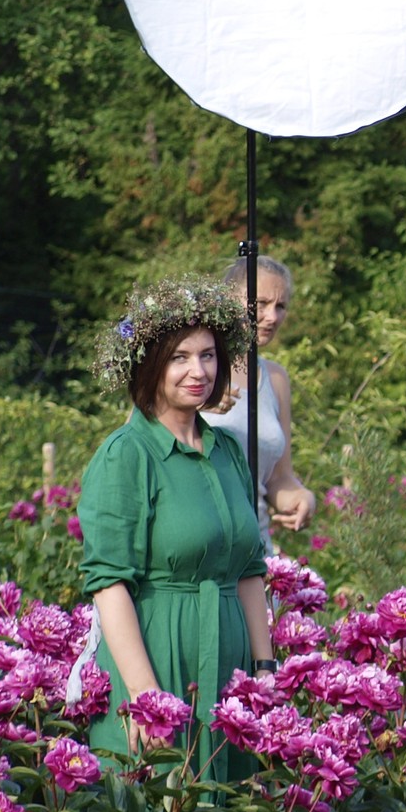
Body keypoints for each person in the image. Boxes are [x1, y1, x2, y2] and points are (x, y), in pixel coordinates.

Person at [73, 277, 274, 778]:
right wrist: (145, 696)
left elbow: (249, 568)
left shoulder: (227, 452)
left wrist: (265, 673)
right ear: (150, 364)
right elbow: (109, 581)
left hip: (230, 668)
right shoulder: (127, 455)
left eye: (208, 355)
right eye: (180, 357)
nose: (198, 370)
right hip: (158, 659)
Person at [204, 255, 314, 542]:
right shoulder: (193, 368)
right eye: (260, 304)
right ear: (228, 300)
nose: (272, 317)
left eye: (281, 306)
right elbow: (138, 440)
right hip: (198, 545)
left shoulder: (276, 379)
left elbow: (278, 477)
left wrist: (301, 497)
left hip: (254, 546)